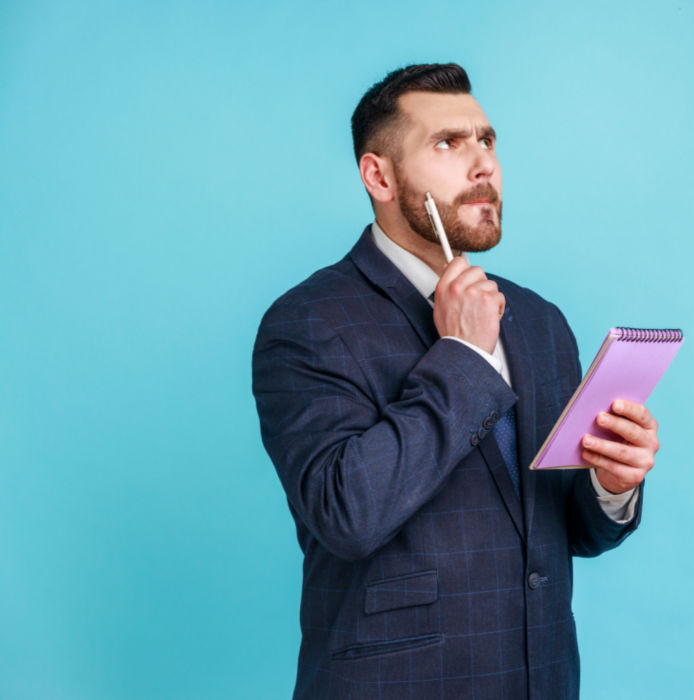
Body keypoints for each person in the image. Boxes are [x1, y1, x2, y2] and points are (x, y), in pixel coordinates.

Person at [252, 63, 661, 699]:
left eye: (487, 141)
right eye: (448, 144)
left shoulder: (540, 322)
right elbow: (346, 513)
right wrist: (464, 357)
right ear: (379, 176)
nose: (483, 166)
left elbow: (568, 531)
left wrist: (611, 486)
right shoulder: (308, 322)